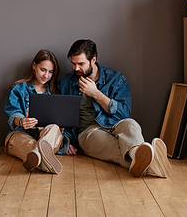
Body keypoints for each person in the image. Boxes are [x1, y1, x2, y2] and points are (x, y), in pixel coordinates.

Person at [60, 39, 172, 178]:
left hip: (116, 123)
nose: (76, 68)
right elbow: (61, 116)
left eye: (80, 64)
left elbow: (124, 114)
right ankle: (152, 163)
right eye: (73, 63)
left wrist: (95, 93)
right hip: (88, 132)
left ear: (93, 59)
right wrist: (66, 140)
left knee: (131, 125)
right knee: (114, 147)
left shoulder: (116, 79)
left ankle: (138, 155)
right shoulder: (66, 82)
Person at [4, 49, 76, 174]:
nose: (46, 75)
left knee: (53, 128)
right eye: (43, 70)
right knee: (29, 145)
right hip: (20, 134)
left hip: (47, 135)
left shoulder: (56, 92)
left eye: (50, 72)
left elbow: (64, 120)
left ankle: (38, 158)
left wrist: (64, 135)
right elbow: (13, 113)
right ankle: (42, 159)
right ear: (34, 66)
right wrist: (22, 121)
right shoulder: (18, 88)